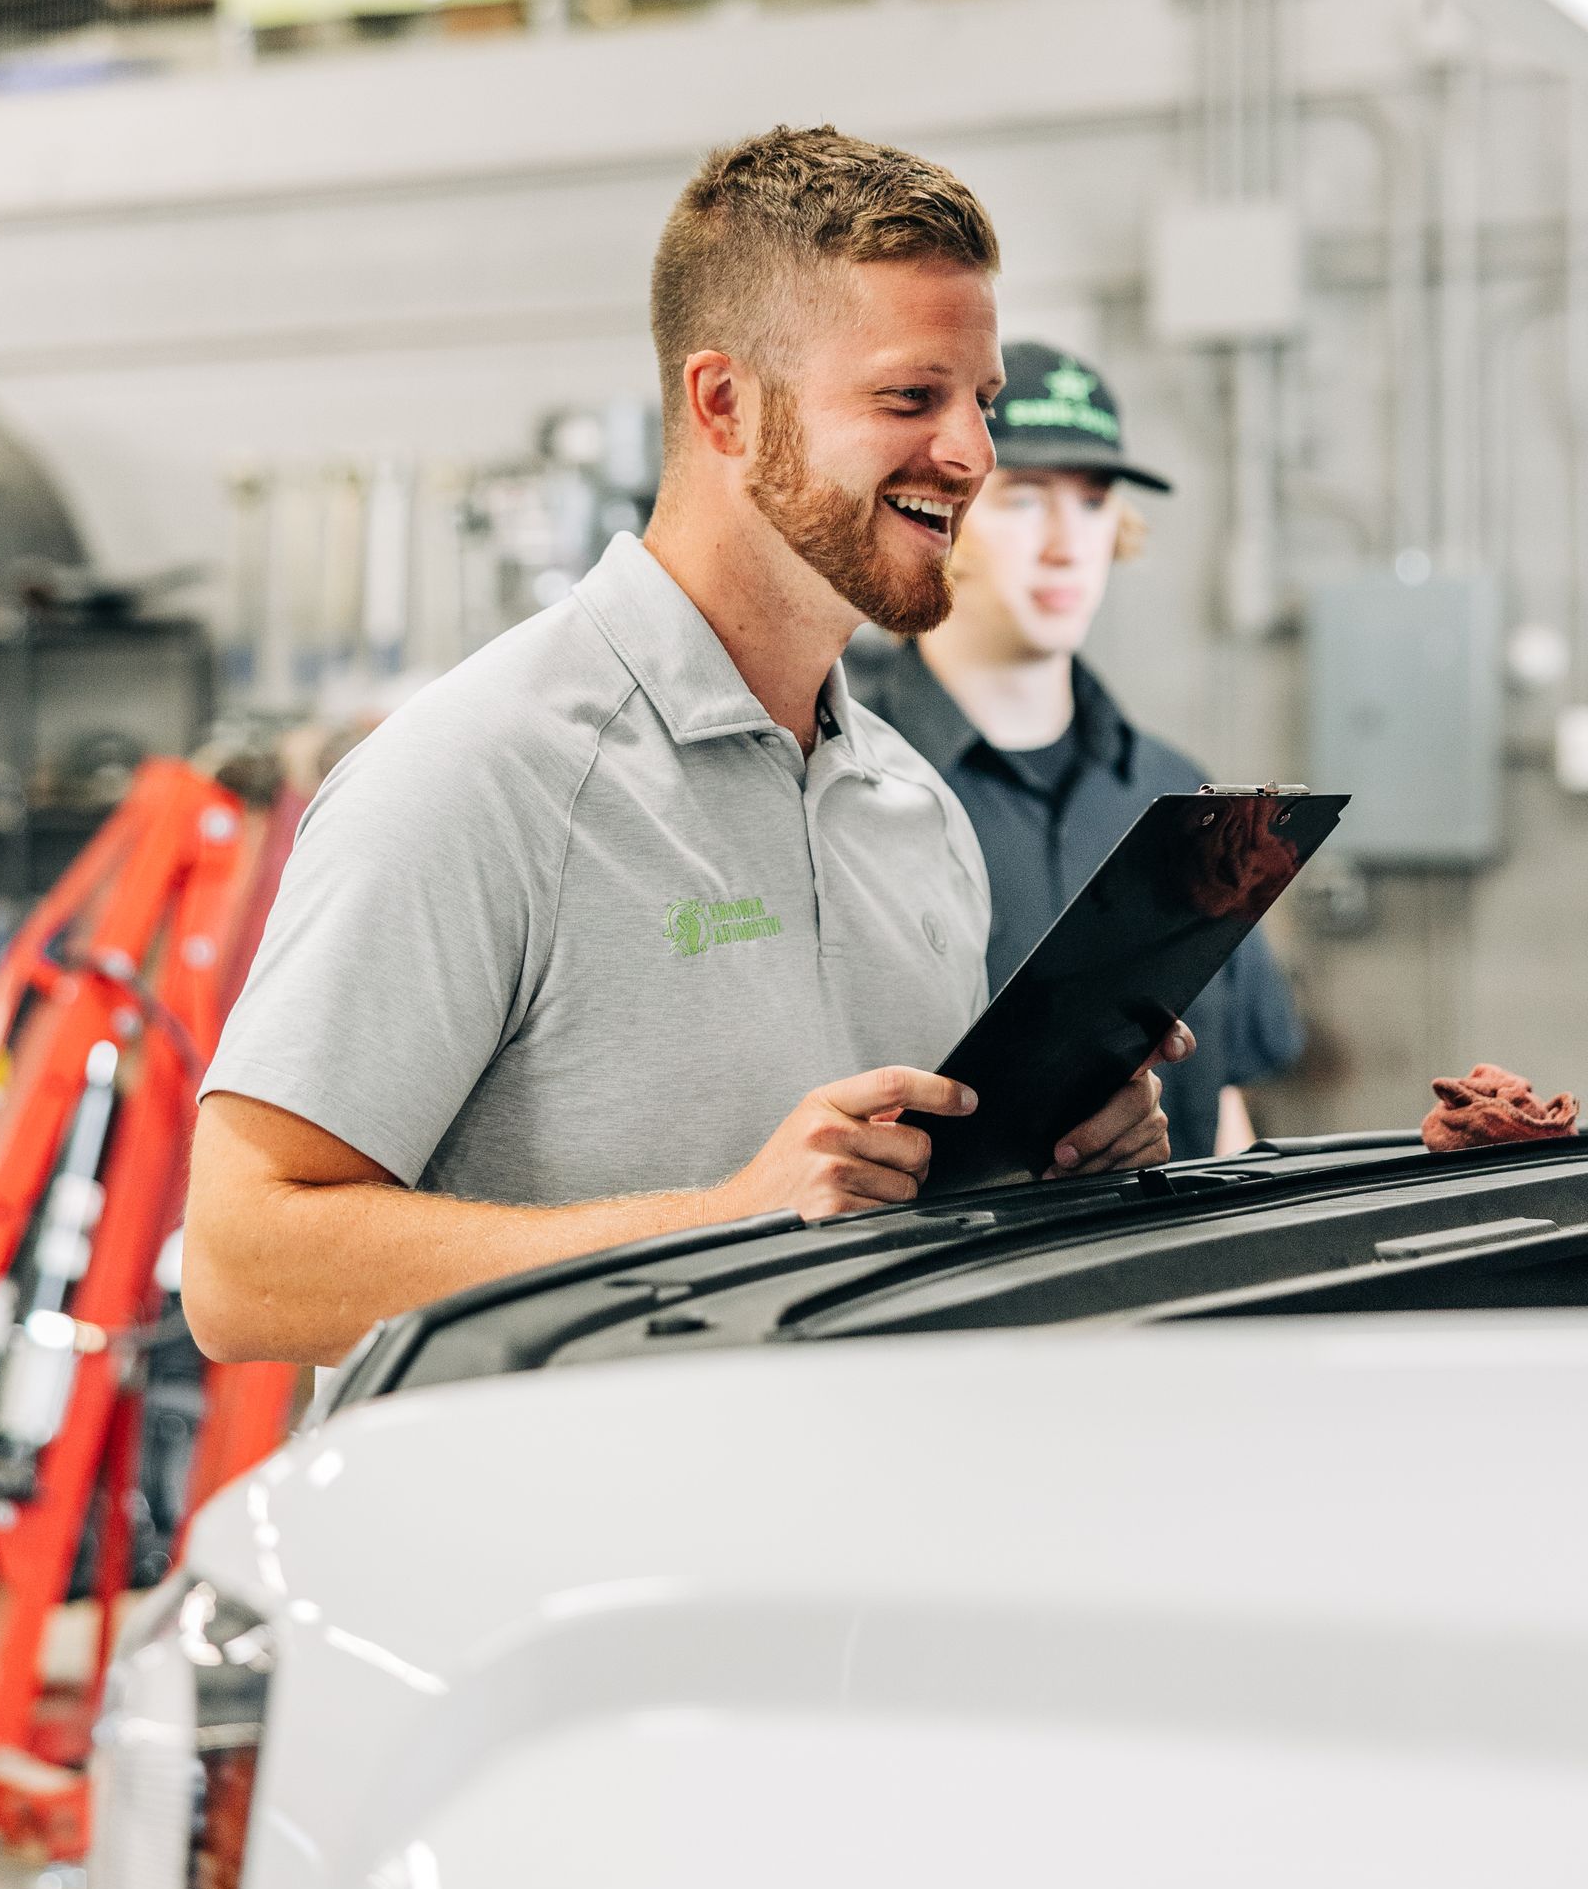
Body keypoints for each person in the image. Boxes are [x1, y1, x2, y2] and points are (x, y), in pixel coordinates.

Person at [184, 132, 1192, 1366]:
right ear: (725, 404)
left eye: (977, 403)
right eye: (910, 398)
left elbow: (868, 1224)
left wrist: (1048, 1155)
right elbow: (239, 1265)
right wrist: (717, 1227)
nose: (976, 456)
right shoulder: (478, 776)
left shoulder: (910, 810)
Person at [852, 341, 1301, 1161]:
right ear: (934, 515)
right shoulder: (848, 788)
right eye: (1024, 499)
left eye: (1093, 502)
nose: (1067, 543)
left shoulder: (1181, 798)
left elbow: (1223, 1103)